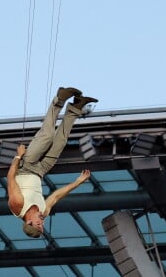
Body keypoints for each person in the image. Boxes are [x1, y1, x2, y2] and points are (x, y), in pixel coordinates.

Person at [7, 87, 98, 238]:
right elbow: (56, 196)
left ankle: (60, 99)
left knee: (47, 135)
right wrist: (78, 182)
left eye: (39, 225)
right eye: (42, 226)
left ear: (29, 222)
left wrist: (18, 156)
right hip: (41, 171)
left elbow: (10, 178)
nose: (42, 223)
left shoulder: (17, 206)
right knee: (61, 141)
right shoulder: (43, 212)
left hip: (26, 166)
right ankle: (76, 107)